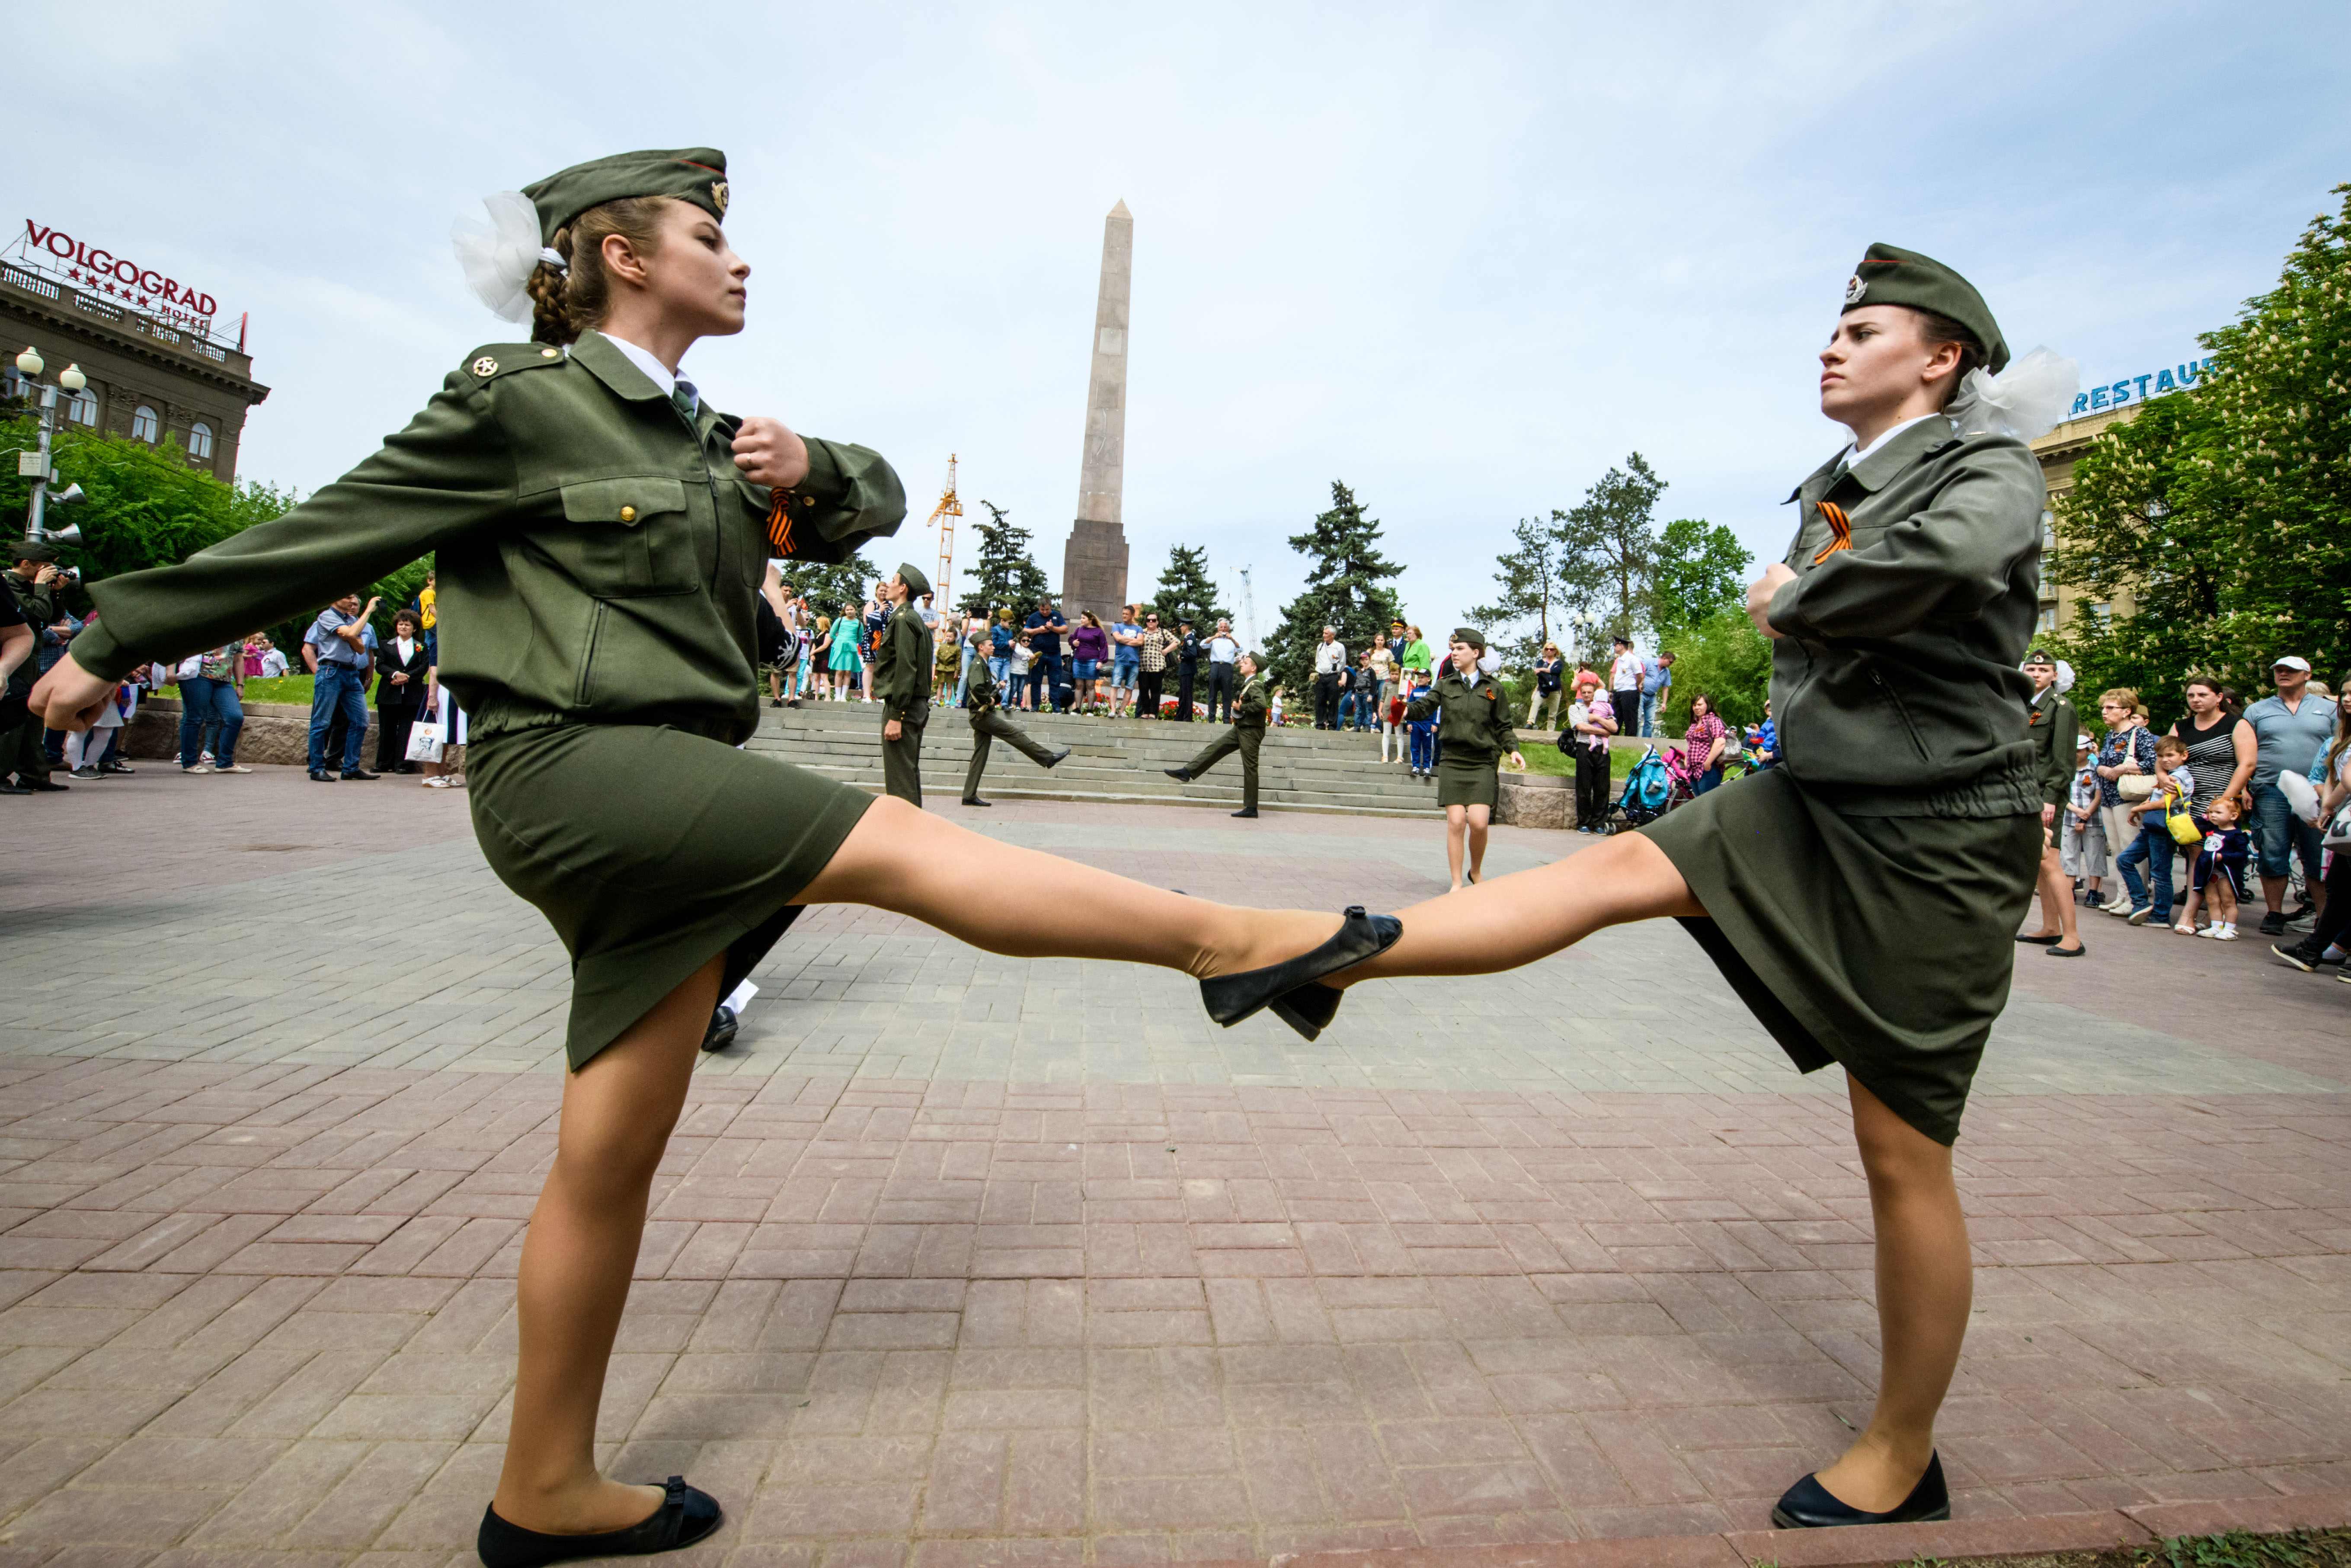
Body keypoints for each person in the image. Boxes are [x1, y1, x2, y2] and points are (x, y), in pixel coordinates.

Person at [34, 148, 1374, 1564]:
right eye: (707, 234)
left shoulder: (708, 441)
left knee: (609, 1156)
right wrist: (115, 639)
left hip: (668, 792)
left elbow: (857, 507)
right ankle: (1228, 943)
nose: (736, 260)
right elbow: (331, 532)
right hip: (580, 765)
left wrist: (810, 467)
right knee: (901, 849)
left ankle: (542, 1484)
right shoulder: (520, 402)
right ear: (621, 255)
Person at [1264, 246, 2063, 1533]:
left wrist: (1795, 603)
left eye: (1863, 330)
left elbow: (1945, 567)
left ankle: (1906, 1452)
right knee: (1611, 868)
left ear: (1943, 357)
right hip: (1812, 799)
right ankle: (1333, 952)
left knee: (1901, 1150)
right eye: (1832, 328)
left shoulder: (1990, 470)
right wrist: (1798, 605)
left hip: (1931, 838)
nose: (1832, 345)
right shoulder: (1838, 484)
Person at [1406, 629, 1526, 889]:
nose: (1454, 653)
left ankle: (1476, 871)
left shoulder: (1493, 689)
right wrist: (1404, 709)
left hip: (1482, 762)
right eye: (1453, 648)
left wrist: (1513, 749)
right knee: (1457, 821)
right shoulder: (1445, 684)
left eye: (1460, 648)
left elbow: (1504, 725)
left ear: (1476, 652)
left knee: (1480, 823)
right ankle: (1456, 882)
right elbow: (1424, 707)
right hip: (1452, 759)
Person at [2241, 656, 2335, 935]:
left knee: (2317, 855)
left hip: (2316, 791)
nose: (2283, 674)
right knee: (2272, 852)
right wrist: (2245, 786)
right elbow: (2245, 752)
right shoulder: (2257, 710)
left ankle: (2323, 920)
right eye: (2278, 671)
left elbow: (2340, 750)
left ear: (2307, 675)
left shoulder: (2329, 709)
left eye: (2290, 671)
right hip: (2270, 789)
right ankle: (2274, 914)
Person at [2271, 692, 2351, 973]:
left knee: (2341, 889)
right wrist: (2326, 808)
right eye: (2346, 694)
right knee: (2339, 888)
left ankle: (2319, 949)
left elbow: (2349, 779)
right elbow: (2327, 776)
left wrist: (2328, 805)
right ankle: (2314, 949)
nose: (2349, 699)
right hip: (2345, 818)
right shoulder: (2340, 739)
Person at [2015, 651, 2084, 957]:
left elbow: (2063, 760)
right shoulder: (2023, 705)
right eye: (2031, 668)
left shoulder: (2061, 708)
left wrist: (2051, 799)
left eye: (2043, 670)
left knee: (2050, 861)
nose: (2037, 674)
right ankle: (2050, 927)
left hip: (2045, 795)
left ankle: (2072, 936)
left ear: (2055, 675)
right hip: (2025, 790)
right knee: (2039, 863)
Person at [958, 636, 1070, 807]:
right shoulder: (977, 665)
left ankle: (969, 795)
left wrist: (997, 690)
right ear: (981, 647)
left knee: (980, 756)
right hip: (982, 716)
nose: (993, 647)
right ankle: (1047, 758)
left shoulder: (983, 665)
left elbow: (985, 689)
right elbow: (977, 688)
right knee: (1014, 734)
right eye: (990, 645)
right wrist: (989, 700)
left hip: (982, 716)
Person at [1166, 650, 1269, 817]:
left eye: (1246, 662)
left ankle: (1251, 808)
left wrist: (1240, 708)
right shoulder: (1249, 684)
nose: (1242, 663)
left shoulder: (1256, 684)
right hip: (1242, 728)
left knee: (1250, 768)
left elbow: (1261, 705)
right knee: (1216, 747)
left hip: (1251, 731)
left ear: (1253, 668)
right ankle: (1188, 772)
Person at [1, 543, 69, 793]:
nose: (48, 570)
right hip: (13, 660)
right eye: (44, 566)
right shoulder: (7, 585)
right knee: (11, 720)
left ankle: (35, 775)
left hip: (30, 660)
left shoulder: (30, 587)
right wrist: (42, 588)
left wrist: (55, 593)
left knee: (33, 719)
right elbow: (37, 613)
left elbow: (54, 617)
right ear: (26, 564)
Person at [2091, 689, 2160, 918]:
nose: (2104, 712)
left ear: (2127, 711)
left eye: (2110, 708)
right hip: (2109, 798)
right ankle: (2122, 895)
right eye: (2104, 708)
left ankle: (2135, 898)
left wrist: (2122, 768)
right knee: (2117, 848)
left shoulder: (2140, 734)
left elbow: (2153, 764)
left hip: (2128, 798)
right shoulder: (2110, 735)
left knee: (2130, 846)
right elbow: (2104, 762)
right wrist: (2101, 768)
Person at [872, 562, 933, 805]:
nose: (888, 584)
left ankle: (905, 837)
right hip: (913, 705)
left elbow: (906, 667)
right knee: (907, 775)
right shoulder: (912, 619)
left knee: (900, 783)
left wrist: (897, 714)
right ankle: (914, 834)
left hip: (904, 707)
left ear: (903, 588)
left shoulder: (903, 619)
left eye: (893, 580)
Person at [303, 591, 381, 782]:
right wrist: (369, 611)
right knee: (322, 723)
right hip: (331, 672)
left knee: (361, 721)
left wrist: (350, 635)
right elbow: (353, 635)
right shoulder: (327, 616)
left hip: (352, 674)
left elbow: (362, 647)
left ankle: (351, 768)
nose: (353, 601)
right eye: (348, 597)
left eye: (355, 598)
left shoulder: (351, 619)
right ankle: (316, 768)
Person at [176, 640, 250, 776]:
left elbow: (238, 659)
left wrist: (240, 684)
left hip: (224, 681)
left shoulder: (239, 633)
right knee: (194, 718)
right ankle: (190, 763)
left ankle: (225, 763)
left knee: (235, 717)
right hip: (198, 676)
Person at [2180, 792, 2247, 940]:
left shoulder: (2237, 835)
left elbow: (2243, 855)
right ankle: (2216, 926)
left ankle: (2230, 928)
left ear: (2234, 816)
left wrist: (2223, 857)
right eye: (2210, 812)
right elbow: (2197, 826)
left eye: (2218, 812)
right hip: (2210, 871)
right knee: (2212, 899)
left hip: (2226, 872)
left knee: (2228, 900)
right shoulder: (2211, 830)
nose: (2213, 815)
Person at [376, 608, 433, 771]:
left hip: (412, 693)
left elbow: (423, 667)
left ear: (414, 628)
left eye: (407, 625)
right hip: (389, 692)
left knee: (407, 730)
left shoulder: (422, 647)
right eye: (401, 624)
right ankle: (383, 764)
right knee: (387, 729)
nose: (403, 627)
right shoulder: (386, 645)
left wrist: (406, 676)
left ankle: (403, 764)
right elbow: (380, 665)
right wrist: (394, 674)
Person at [1564, 669, 1616, 832]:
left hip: (1603, 751)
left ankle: (1599, 824)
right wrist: (1603, 731)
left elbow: (1614, 727)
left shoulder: (1604, 708)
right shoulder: (1576, 708)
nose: (1587, 695)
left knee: (1602, 788)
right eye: (1584, 692)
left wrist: (1599, 719)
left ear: (1595, 693)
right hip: (1584, 748)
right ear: (1581, 693)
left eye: (1590, 692)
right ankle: (1584, 823)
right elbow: (1581, 727)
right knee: (1584, 787)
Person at [2060, 733, 2108, 909]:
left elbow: (2098, 796)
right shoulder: (2066, 769)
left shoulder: (2095, 771)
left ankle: (2094, 892)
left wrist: (2085, 814)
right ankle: (2069, 890)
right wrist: (2078, 812)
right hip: (2069, 817)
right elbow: (2061, 794)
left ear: (2088, 751)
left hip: (2093, 819)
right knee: (2068, 856)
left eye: (2079, 751)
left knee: (2095, 855)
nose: (2076, 754)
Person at [1678, 692, 1729, 795]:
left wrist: (1708, 762)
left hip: (1709, 770)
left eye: (1700, 705)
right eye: (1695, 705)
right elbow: (1692, 745)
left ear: (1708, 705)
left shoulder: (1713, 721)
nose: (1697, 707)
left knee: (1707, 802)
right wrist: (1687, 759)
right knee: (1699, 802)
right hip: (1693, 770)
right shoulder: (1694, 724)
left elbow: (1720, 742)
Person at [1023, 597, 1067, 711]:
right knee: (1036, 680)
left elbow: (1065, 629)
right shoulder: (1034, 617)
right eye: (1042, 610)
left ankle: (1056, 706)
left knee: (1055, 681)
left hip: (1055, 653)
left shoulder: (1057, 615)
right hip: (1038, 653)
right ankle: (1035, 706)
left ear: (1051, 607)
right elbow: (1026, 631)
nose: (1045, 612)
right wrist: (1038, 630)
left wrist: (1053, 628)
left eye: (1047, 610)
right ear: (1039, 608)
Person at [1135, 610, 1175, 718]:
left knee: (1155, 691)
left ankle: (1153, 713)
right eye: (1149, 620)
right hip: (1143, 666)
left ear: (1158, 622)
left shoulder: (1163, 632)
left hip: (1158, 666)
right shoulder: (1141, 632)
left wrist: (1166, 651)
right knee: (1143, 690)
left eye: (1154, 620)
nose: (1151, 622)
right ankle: (1146, 712)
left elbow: (1176, 642)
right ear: (1146, 622)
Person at [1068, 610, 1108, 714]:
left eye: (1084, 618)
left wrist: (1101, 660)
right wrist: (1074, 643)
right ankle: (1077, 709)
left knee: (1090, 685)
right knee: (1079, 685)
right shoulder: (1079, 629)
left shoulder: (1099, 631)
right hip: (1078, 660)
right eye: (1081, 618)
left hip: (1092, 660)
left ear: (1090, 619)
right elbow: (1072, 639)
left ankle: (1090, 710)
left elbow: (1104, 646)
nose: (1081, 620)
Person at [1608, 634, 1644, 743]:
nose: (1614, 647)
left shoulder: (1632, 659)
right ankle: (1614, 739)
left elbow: (1640, 675)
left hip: (1629, 691)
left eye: (1616, 645)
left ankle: (1630, 741)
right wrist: (1612, 691)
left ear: (1621, 646)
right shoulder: (1619, 660)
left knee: (1630, 718)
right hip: (1619, 691)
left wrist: (1637, 686)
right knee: (1616, 716)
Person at [1109, 605, 1143, 717]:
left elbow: (1140, 642)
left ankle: (1121, 712)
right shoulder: (1117, 626)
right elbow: (1118, 639)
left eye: (1127, 614)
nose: (1124, 616)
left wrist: (1125, 640)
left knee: (1129, 688)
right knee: (1115, 685)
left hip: (1134, 662)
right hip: (1121, 661)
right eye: (1123, 614)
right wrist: (1133, 640)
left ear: (1133, 615)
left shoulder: (1139, 628)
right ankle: (1113, 710)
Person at [1205, 619, 1240, 722]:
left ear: (1228, 629)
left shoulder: (1231, 641)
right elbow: (1203, 644)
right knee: (1213, 694)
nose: (1223, 629)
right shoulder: (1214, 639)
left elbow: (1240, 649)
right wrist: (1214, 637)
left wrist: (1232, 639)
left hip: (1227, 668)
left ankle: (1226, 719)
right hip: (1216, 666)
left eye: (1225, 627)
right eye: (1221, 627)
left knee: (1227, 694)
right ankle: (1211, 719)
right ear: (1218, 628)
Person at [1311, 626, 1346, 729]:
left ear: (1332, 635)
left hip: (1333, 677)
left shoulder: (1339, 647)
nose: (1324, 635)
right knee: (1320, 701)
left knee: (1333, 701)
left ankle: (1332, 724)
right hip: (1321, 677)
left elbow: (1342, 662)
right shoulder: (1320, 646)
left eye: (1326, 634)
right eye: (1324, 633)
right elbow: (1317, 660)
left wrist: (1336, 671)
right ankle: (1320, 724)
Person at [1528, 641, 1565, 729]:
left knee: (1553, 714)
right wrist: (1547, 672)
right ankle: (1530, 723)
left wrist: (1542, 670)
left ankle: (1550, 732)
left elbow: (1557, 671)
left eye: (1552, 649)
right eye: (1547, 649)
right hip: (1542, 689)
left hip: (1555, 691)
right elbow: (1539, 674)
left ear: (1555, 651)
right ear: (1544, 650)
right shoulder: (1541, 662)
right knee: (1535, 704)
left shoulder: (1558, 663)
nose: (1549, 651)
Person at [1172, 617, 1203, 721]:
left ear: (1185, 627)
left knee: (1187, 694)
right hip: (1186, 669)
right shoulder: (1188, 638)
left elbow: (1193, 653)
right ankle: (1180, 716)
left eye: (1182, 626)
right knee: (1183, 693)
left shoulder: (1190, 638)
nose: (1180, 628)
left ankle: (1187, 717)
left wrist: (1182, 655)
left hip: (1188, 669)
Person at [1642, 649, 1675, 738]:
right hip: (1641, 694)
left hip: (1652, 696)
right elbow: (1638, 673)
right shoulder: (1649, 662)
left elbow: (1666, 687)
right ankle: (1635, 741)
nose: (1671, 665)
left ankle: (1646, 742)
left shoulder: (1667, 672)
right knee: (1638, 719)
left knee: (1650, 721)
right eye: (1670, 662)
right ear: (1665, 658)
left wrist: (1664, 703)